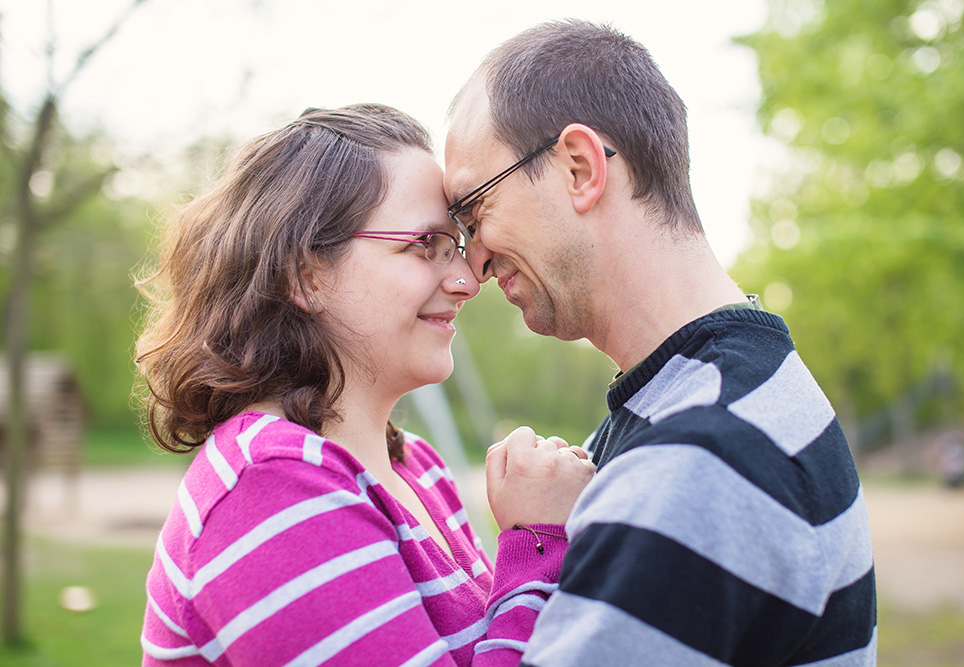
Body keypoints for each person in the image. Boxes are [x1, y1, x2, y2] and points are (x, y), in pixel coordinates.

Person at [444, 20, 877, 667]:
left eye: (474, 212)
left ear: (580, 168)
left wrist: (534, 541)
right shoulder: (724, 393)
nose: (471, 264)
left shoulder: (699, 461)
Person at [134, 104, 595, 666]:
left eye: (457, 246)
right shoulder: (271, 490)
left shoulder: (418, 468)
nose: (467, 281)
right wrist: (539, 539)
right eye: (424, 245)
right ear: (304, 275)